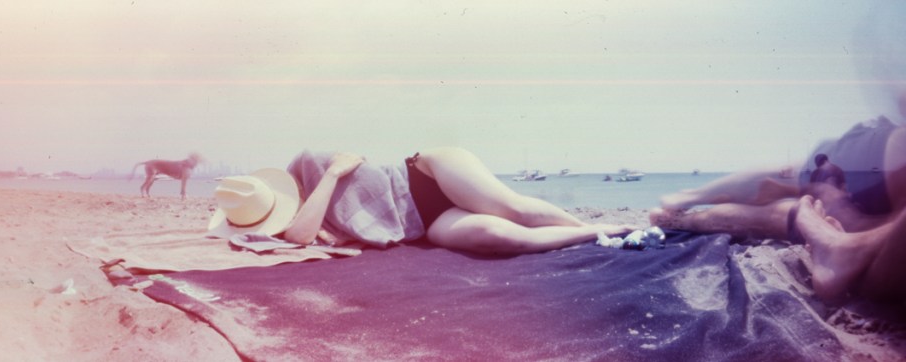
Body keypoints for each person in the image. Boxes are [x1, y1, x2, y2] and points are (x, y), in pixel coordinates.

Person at [208, 147, 635, 255]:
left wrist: (332, 171)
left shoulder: (306, 161)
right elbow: (301, 236)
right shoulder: (293, 223)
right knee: (500, 238)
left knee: (516, 210)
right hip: (425, 221)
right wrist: (335, 177)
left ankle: (584, 227)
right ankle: (597, 232)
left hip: (426, 172)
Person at [650, 116, 901, 240]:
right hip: (885, 167)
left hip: (884, 145)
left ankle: (687, 200)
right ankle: (686, 219)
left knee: (798, 179)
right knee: (792, 214)